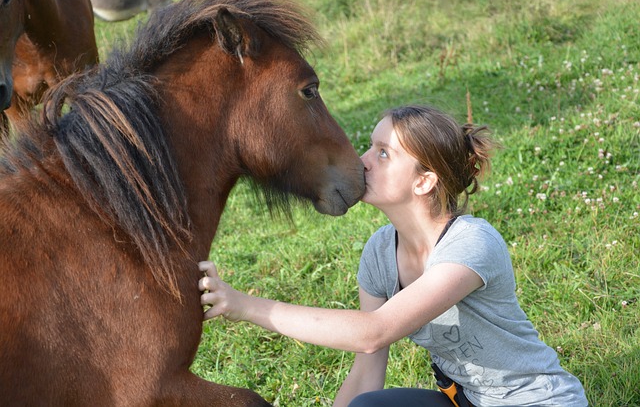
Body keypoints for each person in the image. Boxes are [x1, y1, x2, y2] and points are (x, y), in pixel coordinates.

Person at [199, 104, 588, 406]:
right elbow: (368, 369)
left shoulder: (471, 243)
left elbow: (373, 333)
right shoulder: (380, 252)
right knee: (371, 406)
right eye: (371, 146)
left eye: (383, 153)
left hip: (536, 401)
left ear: (424, 180)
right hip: (465, 401)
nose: (363, 159)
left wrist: (244, 306)